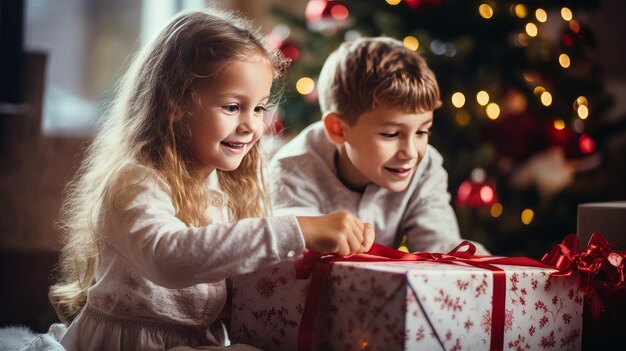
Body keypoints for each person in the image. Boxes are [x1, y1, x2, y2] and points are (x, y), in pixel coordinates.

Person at [47, 8, 374, 351]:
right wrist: (299, 230)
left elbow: (230, 252)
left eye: (259, 108)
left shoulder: (227, 184)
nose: (251, 125)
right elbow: (169, 257)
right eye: (233, 107)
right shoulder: (135, 180)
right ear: (174, 104)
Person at [271, 37, 487, 254]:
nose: (411, 153)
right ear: (338, 129)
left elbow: (440, 249)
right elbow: (297, 261)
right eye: (391, 134)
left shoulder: (425, 167)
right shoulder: (292, 170)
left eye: (422, 131)